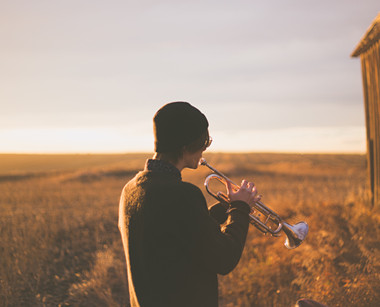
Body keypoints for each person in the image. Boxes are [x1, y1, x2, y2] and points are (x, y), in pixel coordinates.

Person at [118, 101, 260, 307]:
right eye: (203, 143)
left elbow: (173, 233)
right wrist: (240, 210)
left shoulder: (131, 189)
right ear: (186, 147)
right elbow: (224, 258)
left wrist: (227, 207)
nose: (204, 150)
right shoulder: (182, 194)